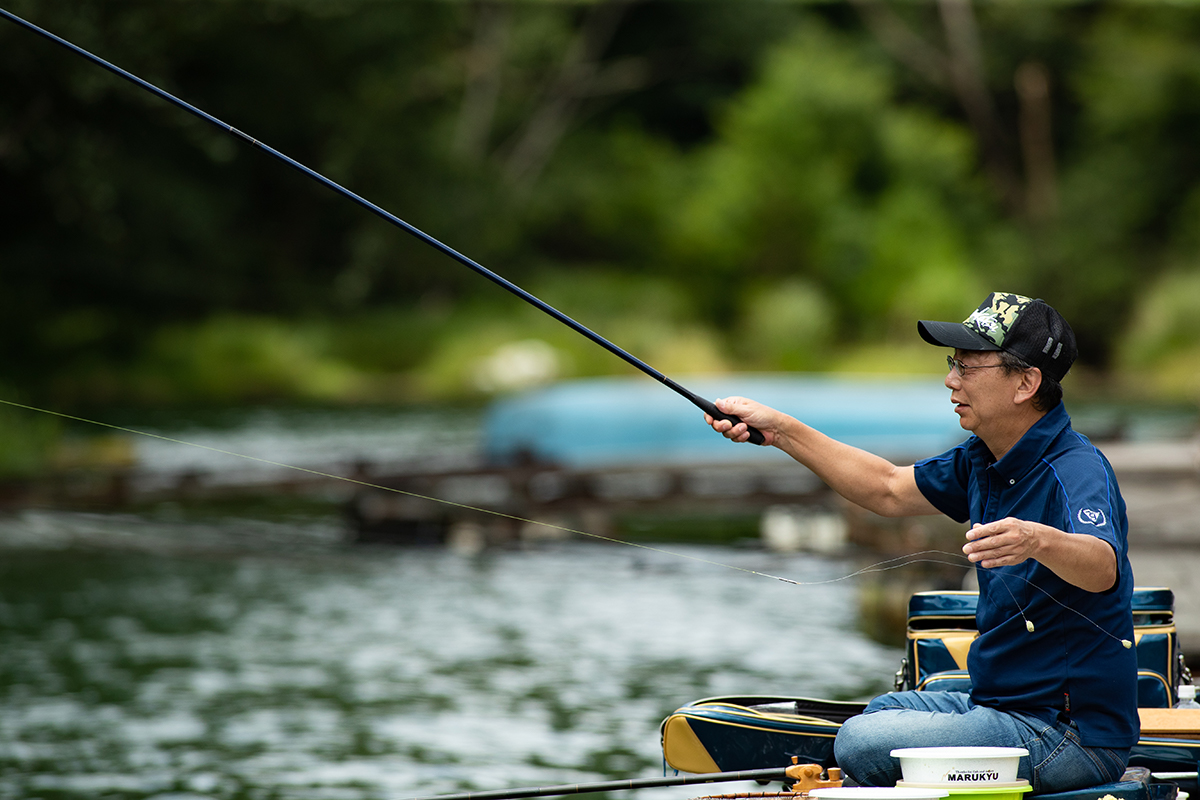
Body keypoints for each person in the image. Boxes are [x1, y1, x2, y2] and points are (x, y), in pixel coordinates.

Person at [705, 292, 1137, 793]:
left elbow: (1102, 565)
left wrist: (1037, 540)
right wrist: (781, 430)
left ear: (1026, 382)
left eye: (969, 367)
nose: (951, 380)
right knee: (883, 713)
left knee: (863, 743)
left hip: (1068, 737)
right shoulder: (985, 457)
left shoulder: (1076, 469)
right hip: (998, 709)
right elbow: (886, 488)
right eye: (953, 363)